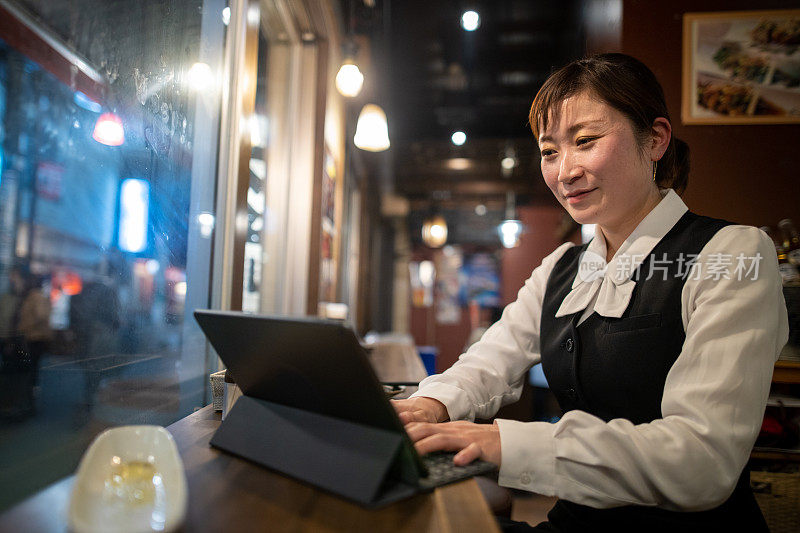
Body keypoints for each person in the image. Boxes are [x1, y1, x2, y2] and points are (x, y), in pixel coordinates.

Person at [393, 53, 788, 532]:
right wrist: (428, 406)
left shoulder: (734, 254)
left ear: (656, 139)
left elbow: (703, 461)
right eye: (549, 151)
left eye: (585, 141)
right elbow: (489, 360)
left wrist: (510, 442)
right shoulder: (562, 267)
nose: (564, 171)